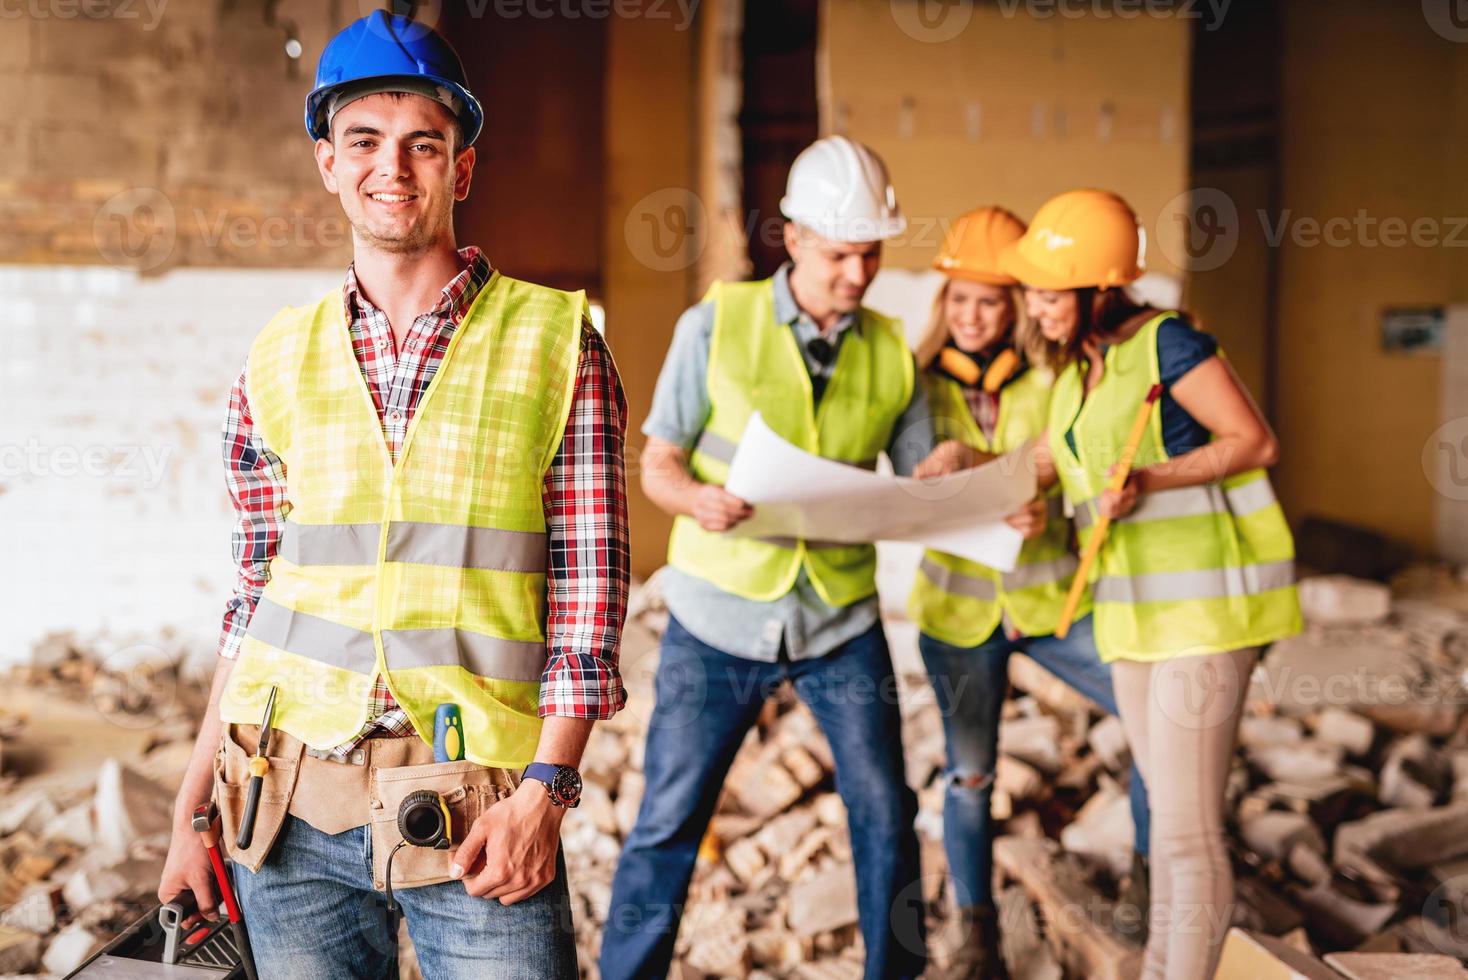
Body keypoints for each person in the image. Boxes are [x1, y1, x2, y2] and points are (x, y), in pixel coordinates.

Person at [156, 13, 629, 978]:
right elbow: (256, 599)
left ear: (461, 169)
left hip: (484, 812)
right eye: (365, 142)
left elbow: (589, 598)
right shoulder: (277, 357)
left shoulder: (556, 343)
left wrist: (547, 791)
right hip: (281, 809)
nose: (393, 169)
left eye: (425, 144)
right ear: (328, 162)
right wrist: (191, 799)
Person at [600, 136, 932, 980]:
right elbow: (660, 464)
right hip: (720, 613)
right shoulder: (715, 323)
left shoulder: (893, 350)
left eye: (870, 254)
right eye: (838, 256)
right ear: (791, 238)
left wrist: (958, 473)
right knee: (669, 820)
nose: (857, 274)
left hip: (839, 617)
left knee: (886, 812)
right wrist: (696, 500)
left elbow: (925, 473)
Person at [999, 188, 1301, 980]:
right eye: (1031, 288)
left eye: (1050, 291)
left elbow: (1254, 441)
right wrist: (959, 472)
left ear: (1102, 287)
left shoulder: (1166, 347)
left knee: (1191, 831)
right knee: (1167, 822)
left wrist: (1153, 476)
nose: (1035, 305)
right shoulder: (1082, 377)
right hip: (1133, 623)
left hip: (1204, 621)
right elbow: (1038, 465)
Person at [907, 206, 1153, 977]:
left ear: (1017, 307)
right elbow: (920, 482)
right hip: (958, 614)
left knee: (1155, 724)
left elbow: (1074, 463)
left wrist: (1038, 491)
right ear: (941, 304)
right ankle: (975, 935)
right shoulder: (918, 386)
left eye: (990, 301)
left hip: (1054, 606)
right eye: (960, 300)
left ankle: (1150, 896)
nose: (973, 317)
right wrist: (976, 473)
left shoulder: (1057, 375)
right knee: (969, 777)